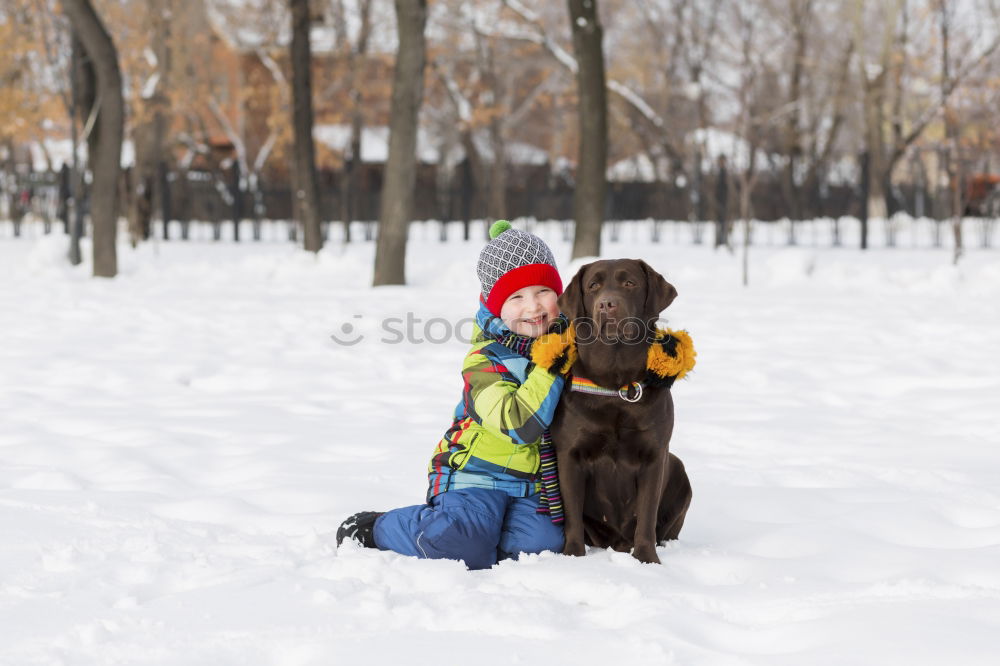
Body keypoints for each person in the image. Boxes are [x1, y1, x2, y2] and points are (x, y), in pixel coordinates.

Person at [337, 220, 569, 570]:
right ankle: (380, 528)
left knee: (540, 549)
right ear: (495, 307)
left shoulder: (571, 342)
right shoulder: (485, 360)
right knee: (463, 545)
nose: (533, 306)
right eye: (516, 297)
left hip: (532, 486)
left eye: (543, 291)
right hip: (472, 476)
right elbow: (520, 424)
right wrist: (552, 360)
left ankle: (482, 533)